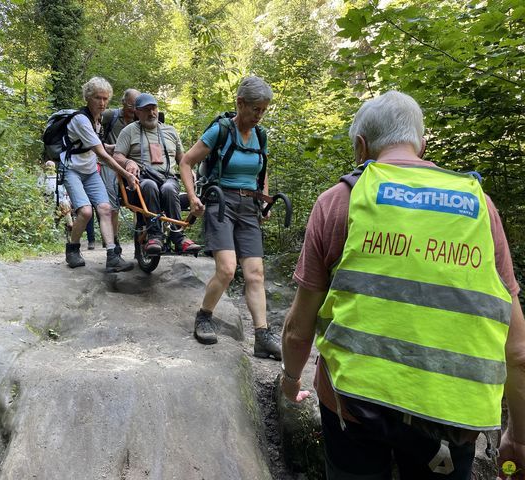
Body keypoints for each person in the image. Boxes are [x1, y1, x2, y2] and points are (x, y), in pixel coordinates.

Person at [280, 90, 525, 479]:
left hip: (353, 407)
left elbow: (298, 327)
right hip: (451, 415)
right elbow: (517, 350)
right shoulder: (481, 208)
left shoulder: (338, 202)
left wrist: (290, 382)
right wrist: (520, 437)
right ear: (422, 144)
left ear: (361, 147)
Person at [179, 76, 281, 360]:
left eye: (263, 110)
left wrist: (265, 200)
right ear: (240, 103)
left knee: (255, 274)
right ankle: (204, 316)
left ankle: (261, 336)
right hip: (221, 203)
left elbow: (262, 170)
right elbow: (186, 161)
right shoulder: (220, 131)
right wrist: (192, 196)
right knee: (226, 269)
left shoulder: (260, 135)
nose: (259, 115)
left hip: (249, 207)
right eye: (255, 109)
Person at [61, 76, 138, 271]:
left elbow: (101, 145)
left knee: (105, 208)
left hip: (89, 170)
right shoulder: (81, 119)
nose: (102, 103)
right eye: (97, 98)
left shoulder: (97, 120)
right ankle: (73, 249)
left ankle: (113, 256)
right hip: (72, 170)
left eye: (105, 98)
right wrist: (126, 173)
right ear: (87, 97)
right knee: (86, 212)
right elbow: (101, 154)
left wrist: (122, 152)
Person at [114, 93, 201, 255]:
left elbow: (183, 160)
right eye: (146, 110)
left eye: (153, 108)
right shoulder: (129, 131)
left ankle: (178, 237)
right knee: (149, 185)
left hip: (168, 178)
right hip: (141, 183)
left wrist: (191, 172)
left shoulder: (170, 131)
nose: (151, 113)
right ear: (137, 112)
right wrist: (128, 162)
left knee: (168, 188)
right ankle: (155, 236)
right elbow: (117, 156)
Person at [88, 88, 142, 252]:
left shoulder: (141, 120)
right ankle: (113, 242)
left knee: (140, 202)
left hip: (132, 164)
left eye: (137, 106)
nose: (134, 109)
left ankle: (140, 245)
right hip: (109, 164)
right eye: (132, 105)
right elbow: (91, 133)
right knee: (112, 205)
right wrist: (106, 148)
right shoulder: (110, 116)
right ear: (123, 102)